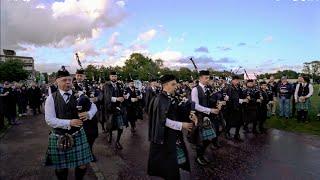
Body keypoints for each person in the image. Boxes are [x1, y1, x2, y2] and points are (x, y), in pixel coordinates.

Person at [44, 67, 97, 180]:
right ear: (57, 81)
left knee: (82, 165)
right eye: (64, 80)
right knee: (61, 168)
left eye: (69, 80)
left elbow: (94, 107)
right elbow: (49, 119)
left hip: (78, 134)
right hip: (59, 135)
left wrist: (89, 114)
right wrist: (69, 122)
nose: (68, 82)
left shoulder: (80, 95)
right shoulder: (51, 99)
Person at [148, 74, 197, 180]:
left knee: (173, 164)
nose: (176, 86)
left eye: (176, 84)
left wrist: (190, 115)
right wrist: (181, 125)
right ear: (165, 85)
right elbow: (162, 121)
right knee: (169, 167)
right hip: (165, 138)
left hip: (174, 135)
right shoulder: (160, 99)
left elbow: (178, 112)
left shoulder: (172, 97)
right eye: (173, 84)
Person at [191, 70, 220, 166]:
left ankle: (202, 153)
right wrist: (210, 110)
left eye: (208, 78)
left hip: (208, 117)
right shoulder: (195, 89)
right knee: (201, 139)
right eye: (206, 78)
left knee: (209, 138)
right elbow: (195, 106)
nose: (208, 80)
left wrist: (217, 104)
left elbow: (211, 100)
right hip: (200, 117)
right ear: (200, 78)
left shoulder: (208, 88)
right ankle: (199, 157)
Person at [74, 69, 99, 161]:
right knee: (79, 136)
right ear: (75, 76)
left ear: (84, 76)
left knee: (92, 134)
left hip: (90, 114)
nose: (79, 77)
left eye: (81, 75)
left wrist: (95, 98)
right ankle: (80, 153)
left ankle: (90, 151)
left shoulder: (89, 85)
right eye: (78, 75)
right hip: (77, 115)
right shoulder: (71, 85)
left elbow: (97, 95)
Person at [101, 71, 128, 149]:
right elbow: (106, 97)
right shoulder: (106, 85)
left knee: (120, 126)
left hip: (119, 109)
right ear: (110, 77)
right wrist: (116, 99)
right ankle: (109, 134)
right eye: (112, 76)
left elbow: (122, 94)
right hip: (110, 109)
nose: (114, 78)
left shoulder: (119, 85)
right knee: (110, 125)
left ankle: (117, 142)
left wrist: (124, 97)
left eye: (115, 76)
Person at [224, 75, 248, 141]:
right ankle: (226, 133)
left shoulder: (238, 87)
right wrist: (242, 100)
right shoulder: (229, 88)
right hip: (231, 108)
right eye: (236, 80)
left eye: (238, 80)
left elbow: (241, 95)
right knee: (230, 123)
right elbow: (232, 99)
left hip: (238, 108)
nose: (237, 81)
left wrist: (246, 96)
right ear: (232, 80)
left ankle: (236, 134)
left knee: (239, 122)